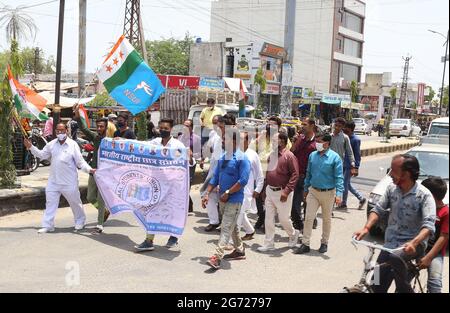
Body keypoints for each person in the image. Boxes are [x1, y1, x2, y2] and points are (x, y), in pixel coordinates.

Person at [354, 154, 436, 293]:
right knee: (376, 283)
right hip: (390, 245)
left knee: (397, 267)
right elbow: (378, 210)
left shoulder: (424, 195)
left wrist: (414, 243)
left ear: (407, 173)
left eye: (394, 170)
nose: (390, 174)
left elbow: (428, 225)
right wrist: (366, 228)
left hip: (412, 247)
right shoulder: (391, 189)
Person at [24, 123, 95, 233]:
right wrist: (31, 147)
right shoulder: (51, 144)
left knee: (75, 202)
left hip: (69, 181)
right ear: (55, 131)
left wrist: (89, 170)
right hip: (54, 181)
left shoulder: (73, 145)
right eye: (58, 131)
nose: (60, 133)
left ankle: (80, 220)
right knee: (50, 203)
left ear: (66, 131)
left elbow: (80, 162)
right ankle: (48, 225)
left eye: (62, 130)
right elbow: (42, 155)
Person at [135, 118, 193, 252]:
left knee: (173, 211)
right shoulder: (155, 143)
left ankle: (174, 236)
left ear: (171, 129)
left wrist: (188, 155)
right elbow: (139, 146)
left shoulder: (177, 145)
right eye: (160, 128)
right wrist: (121, 141)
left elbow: (187, 162)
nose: (163, 130)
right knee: (151, 211)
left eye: (166, 128)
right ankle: (149, 240)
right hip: (156, 185)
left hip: (173, 186)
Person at [202, 128, 251, 270]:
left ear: (234, 141)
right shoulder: (223, 157)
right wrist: (207, 194)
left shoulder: (242, 159)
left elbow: (243, 181)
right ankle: (240, 250)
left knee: (225, 228)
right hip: (222, 198)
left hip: (234, 199)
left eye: (225, 139)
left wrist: (228, 192)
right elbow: (215, 177)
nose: (222, 141)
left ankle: (216, 257)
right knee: (232, 226)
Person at [295, 132, 344, 255]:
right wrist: (306, 189)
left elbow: (339, 177)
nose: (317, 144)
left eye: (320, 141)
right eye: (316, 141)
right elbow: (308, 173)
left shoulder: (335, 158)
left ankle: (324, 242)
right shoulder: (312, 156)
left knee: (327, 219)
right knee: (308, 217)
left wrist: (339, 194)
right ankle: (305, 243)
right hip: (313, 191)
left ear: (327, 143)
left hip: (328, 193)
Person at [258, 132, 300, 252]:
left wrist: (286, 191)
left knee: (283, 219)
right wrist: (265, 190)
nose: (272, 143)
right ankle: (269, 243)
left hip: (282, 192)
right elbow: (268, 173)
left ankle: (293, 234)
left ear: (282, 141)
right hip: (270, 190)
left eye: (275, 140)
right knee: (269, 218)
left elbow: (295, 175)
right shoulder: (272, 155)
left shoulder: (289, 156)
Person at [74, 104, 110, 233]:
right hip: (93, 171)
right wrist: (77, 115)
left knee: (101, 199)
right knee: (90, 197)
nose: (99, 128)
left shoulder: (111, 141)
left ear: (106, 128)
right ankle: (104, 211)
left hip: (104, 174)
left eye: (102, 126)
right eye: (98, 126)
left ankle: (100, 224)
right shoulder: (95, 138)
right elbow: (83, 128)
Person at [420, 177, 449, 293]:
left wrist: (428, 257)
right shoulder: (420, 207)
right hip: (416, 248)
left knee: (434, 283)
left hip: (434, 253)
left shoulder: (445, 212)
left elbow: (444, 237)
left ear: (430, 195)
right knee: (403, 279)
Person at [291, 118, 317, 231]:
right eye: (302, 124)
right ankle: (300, 226)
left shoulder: (317, 142)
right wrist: (295, 142)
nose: (302, 126)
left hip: (309, 179)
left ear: (312, 126)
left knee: (308, 206)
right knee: (294, 207)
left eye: (305, 124)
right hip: (297, 177)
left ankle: (307, 229)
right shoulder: (299, 139)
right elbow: (291, 153)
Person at [200, 115, 225, 232]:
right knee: (208, 194)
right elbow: (209, 149)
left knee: (223, 197)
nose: (216, 126)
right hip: (214, 169)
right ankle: (214, 221)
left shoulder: (230, 137)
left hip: (225, 171)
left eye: (218, 123)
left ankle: (225, 223)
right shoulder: (213, 135)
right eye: (214, 123)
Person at [238, 131, 264, 241]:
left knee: (237, 215)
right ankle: (250, 230)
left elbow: (259, 174)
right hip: (233, 190)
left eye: (241, 139)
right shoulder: (233, 153)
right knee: (240, 213)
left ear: (248, 141)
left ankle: (232, 241)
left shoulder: (253, 155)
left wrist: (258, 189)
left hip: (246, 191)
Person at [341, 120, 366, 210]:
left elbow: (357, 154)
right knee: (347, 184)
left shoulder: (356, 140)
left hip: (350, 166)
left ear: (351, 129)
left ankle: (343, 203)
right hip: (343, 164)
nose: (344, 129)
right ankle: (361, 198)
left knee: (344, 184)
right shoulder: (344, 137)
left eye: (346, 128)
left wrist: (356, 167)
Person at [178, 119, 201, 213]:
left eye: (187, 126)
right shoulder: (180, 137)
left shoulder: (196, 138)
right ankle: (188, 205)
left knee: (187, 185)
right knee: (182, 185)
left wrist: (192, 154)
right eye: (184, 125)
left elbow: (199, 154)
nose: (185, 127)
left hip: (191, 164)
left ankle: (187, 206)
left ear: (191, 127)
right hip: (180, 164)